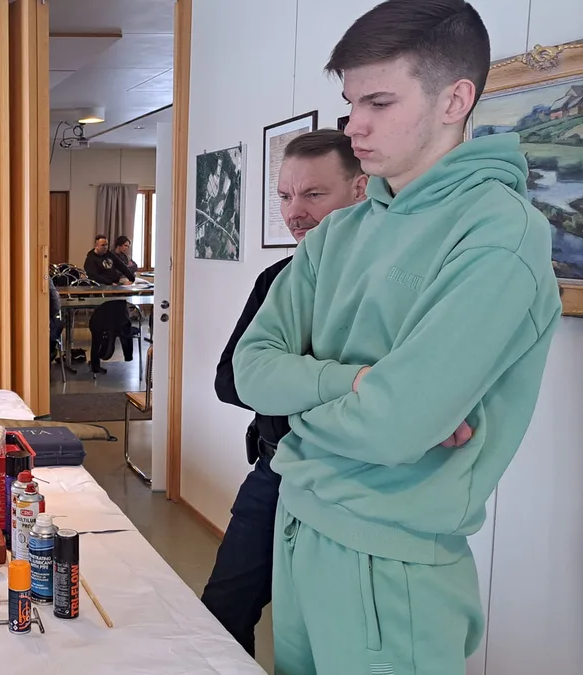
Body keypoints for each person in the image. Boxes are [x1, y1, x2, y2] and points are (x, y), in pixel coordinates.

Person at [233, 1, 562, 673]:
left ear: (455, 101)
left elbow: (393, 426)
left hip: (390, 559)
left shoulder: (500, 233)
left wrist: (305, 403)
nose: (354, 126)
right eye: (352, 103)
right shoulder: (338, 232)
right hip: (298, 526)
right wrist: (354, 384)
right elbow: (249, 370)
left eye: (379, 102)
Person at [201, 129, 367, 657]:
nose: (295, 212)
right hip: (275, 471)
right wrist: (334, 381)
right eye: (285, 196)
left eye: (314, 194)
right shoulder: (277, 278)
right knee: (221, 614)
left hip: (353, 483)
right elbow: (231, 380)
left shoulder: (382, 284)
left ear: (361, 189)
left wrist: (281, 377)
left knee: (332, 637)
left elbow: (391, 394)